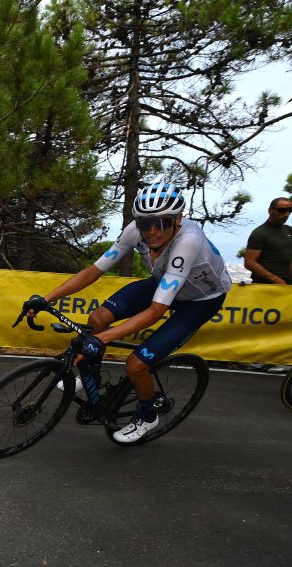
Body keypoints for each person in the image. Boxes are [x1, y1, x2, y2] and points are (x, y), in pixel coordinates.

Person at [24, 180, 231, 443]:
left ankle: (147, 415)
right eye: (146, 223)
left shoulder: (188, 241)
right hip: (163, 283)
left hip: (199, 301)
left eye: (163, 222)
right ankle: (91, 378)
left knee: (135, 365)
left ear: (179, 219)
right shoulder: (136, 229)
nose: (153, 231)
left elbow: (157, 310)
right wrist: (46, 299)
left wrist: (102, 338)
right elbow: (94, 271)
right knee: (97, 318)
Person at [243, 197, 292, 285]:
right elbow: (249, 262)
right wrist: (276, 280)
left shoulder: (288, 230)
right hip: (266, 286)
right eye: (282, 210)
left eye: (290, 210)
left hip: (287, 286)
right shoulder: (259, 233)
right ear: (270, 210)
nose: (287, 214)